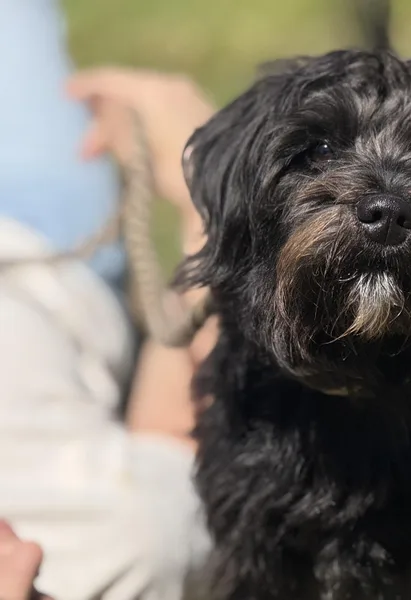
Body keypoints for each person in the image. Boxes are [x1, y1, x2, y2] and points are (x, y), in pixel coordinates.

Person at [0, 2, 219, 599]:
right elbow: (172, 436)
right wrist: (210, 191)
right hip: (41, 233)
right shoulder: (113, 548)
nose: (23, 559)